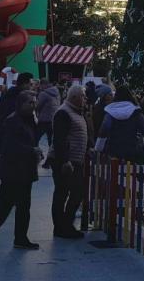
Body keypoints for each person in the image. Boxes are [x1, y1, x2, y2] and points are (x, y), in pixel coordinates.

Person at [0, 90, 42, 250]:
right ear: (21, 104)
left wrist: (36, 150)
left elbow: (30, 141)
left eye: (34, 102)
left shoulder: (30, 120)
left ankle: (21, 238)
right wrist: (31, 151)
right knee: (6, 205)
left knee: (24, 207)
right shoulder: (12, 121)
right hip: (12, 171)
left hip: (26, 171)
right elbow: (9, 147)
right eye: (29, 102)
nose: (33, 105)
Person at [0, 73, 33, 198]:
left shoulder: (10, 95)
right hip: (9, 139)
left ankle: (8, 195)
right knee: (2, 169)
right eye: (30, 84)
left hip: (6, 137)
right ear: (24, 83)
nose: (31, 86)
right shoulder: (16, 98)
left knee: (7, 168)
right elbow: (9, 120)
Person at [52, 85, 89, 238]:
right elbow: (60, 139)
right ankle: (62, 226)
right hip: (67, 162)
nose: (85, 99)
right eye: (83, 96)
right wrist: (65, 161)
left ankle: (65, 225)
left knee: (74, 193)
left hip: (75, 160)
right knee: (65, 193)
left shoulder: (75, 112)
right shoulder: (64, 112)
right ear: (74, 97)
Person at [95, 85, 144, 165]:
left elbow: (105, 128)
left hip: (113, 150)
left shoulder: (110, 111)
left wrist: (98, 147)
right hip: (132, 150)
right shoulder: (135, 111)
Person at [35, 81, 61, 148]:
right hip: (54, 119)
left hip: (44, 120)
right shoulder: (57, 93)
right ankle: (51, 156)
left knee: (35, 138)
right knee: (51, 141)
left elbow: (37, 106)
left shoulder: (43, 94)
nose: (40, 87)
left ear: (44, 84)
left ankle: (35, 155)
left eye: (40, 85)